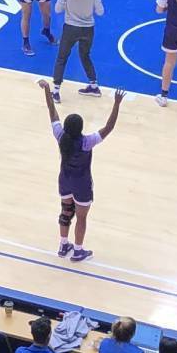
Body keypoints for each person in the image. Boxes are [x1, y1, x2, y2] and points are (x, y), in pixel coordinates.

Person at [42, 84, 121, 263]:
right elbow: (108, 128)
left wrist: (46, 90)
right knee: (81, 217)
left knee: (65, 212)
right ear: (80, 128)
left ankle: (63, 245)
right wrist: (117, 104)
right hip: (82, 184)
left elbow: (52, 112)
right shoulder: (87, 142)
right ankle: (78, 250)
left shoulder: (60, 136)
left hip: (65, 180)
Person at [50, 0, 103, 94]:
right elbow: (100, 12)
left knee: (62, 58)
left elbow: (57, 9)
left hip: (70, 28)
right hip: (88, 29)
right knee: (85, 55)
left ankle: (56, 91)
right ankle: (94, 86)